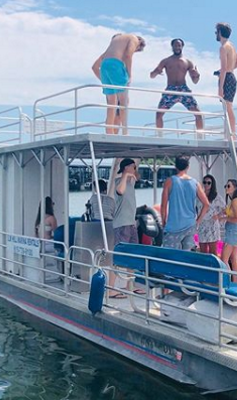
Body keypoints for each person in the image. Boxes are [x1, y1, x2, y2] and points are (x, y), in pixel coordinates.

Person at [92, 33, 146, 135]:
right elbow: (128, 55)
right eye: (136, 50)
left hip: (104, 65)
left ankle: (109, 132)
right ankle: (125, 133)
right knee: (124, 101)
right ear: (139, 44)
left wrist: (104, 81)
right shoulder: (133, 38)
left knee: (112, 103)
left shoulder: (118, 39)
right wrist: (130, 75)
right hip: (115, 65)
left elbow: (95, 66)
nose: (135, 51)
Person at [150, 38, 203, 130]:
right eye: (175, 45)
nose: (177, 47)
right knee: (159, 114)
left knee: (198, 114)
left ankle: (201, 137)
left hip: (183, 89)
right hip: (171, 89)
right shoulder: (166, 61)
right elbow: (152, 76)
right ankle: (159, 137)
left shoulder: (188, 62)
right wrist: (156, 72)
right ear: (172, 47)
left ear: (182, 46)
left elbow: (195, 81)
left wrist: (197, 76)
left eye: (179, 45)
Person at [161, 156, 209, 250]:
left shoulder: (170, 181)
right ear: (188, 167)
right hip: (190, 225)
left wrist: (163, 222)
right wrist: (197, 221)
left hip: (174, 226)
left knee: (170, 257)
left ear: (176, 167)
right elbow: (206, 204)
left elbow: (163, 205)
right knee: (187, 256)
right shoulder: (195, 183)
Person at [110, 158, 139, 299]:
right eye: (133, 167)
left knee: (132, 256)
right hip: (122, 224)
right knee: (118, 256)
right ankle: (111, 288)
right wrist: (125, 175)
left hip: (131, 224)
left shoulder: (131, 183)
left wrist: (129, 175)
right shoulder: (119, 182)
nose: (135, 170)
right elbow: (120, 191)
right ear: (127, 167)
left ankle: (130, 285)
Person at [215, 22, 237, 134]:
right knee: (229, 106)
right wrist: (230, 69)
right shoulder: (231, 46)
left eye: (216, 32)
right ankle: (232, 132)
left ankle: (232, 133)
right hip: (232, 76)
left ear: (220, 33)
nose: (216, 34)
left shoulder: (223, 48)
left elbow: (223, 68)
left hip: (227, 78)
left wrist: (220, 88)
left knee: (228, 106)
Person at [221, 179, 237, 281]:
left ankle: (228, 280)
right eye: (225, 185)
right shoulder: (236, 200)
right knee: (234, 258)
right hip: (235, 230)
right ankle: (235, 281)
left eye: (228, 186)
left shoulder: (234, 201)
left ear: (235, 188)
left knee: (224, 259)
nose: (226, 188)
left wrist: (224, 218)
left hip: (233, 230)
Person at [198, 174, 225, 255]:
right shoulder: (199, 195)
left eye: (208, 183)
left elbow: (225, 209)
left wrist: (218, 216)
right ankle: (203, 267)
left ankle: (213, 267)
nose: (206, 184)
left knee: (213, 252)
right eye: (204, 182)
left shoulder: (216, 196)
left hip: (212, 225)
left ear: (212, 184)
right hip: (202, 225)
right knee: (202, 251)